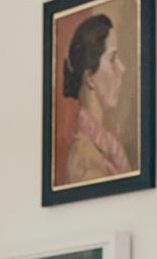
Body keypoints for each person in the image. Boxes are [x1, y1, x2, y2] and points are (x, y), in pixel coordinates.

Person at [56, 12, 133, 184]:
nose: (122, 68)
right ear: (90, 77)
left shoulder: (106, 147)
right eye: (112, 58)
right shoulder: (85, 158)